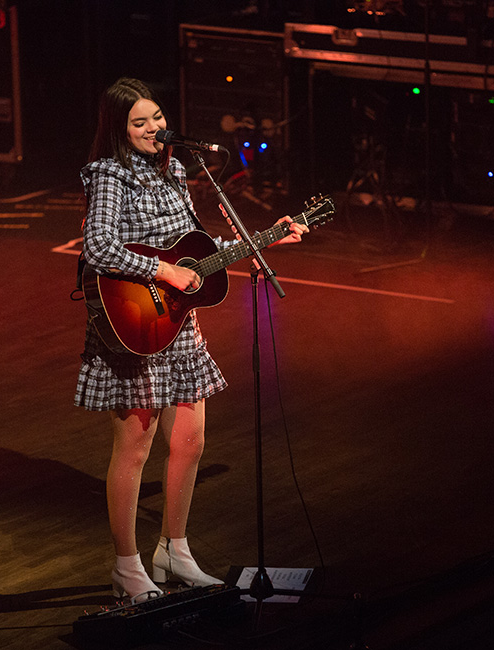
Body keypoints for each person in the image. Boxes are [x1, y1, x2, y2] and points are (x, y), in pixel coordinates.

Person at [75, 77, 307, 603]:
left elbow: (196, 248)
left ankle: (173, 551)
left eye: (156, 117)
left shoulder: (177, 167)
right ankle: (126, 565)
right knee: (134, 449)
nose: (153, 128)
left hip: (179, 326)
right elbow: (98, 248)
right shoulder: (109, 174)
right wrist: (163, 272)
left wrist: (269, 237)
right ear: (119, 129)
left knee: (190, 441)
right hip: (134, 324)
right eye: (139, 122)